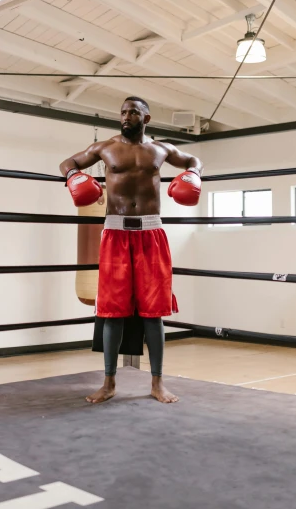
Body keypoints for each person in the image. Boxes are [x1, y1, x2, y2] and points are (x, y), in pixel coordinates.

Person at [60, 96, 203, 404]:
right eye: (123, 111)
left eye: (133, 112)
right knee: (111, 311)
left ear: (146, 118)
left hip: (151, 232)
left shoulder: (160, 149)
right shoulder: (104, 147)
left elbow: (193, 160)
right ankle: (109, 382)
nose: (126, 116)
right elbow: (67, 163)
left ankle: (157, 383)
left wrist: (193, 175)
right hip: (115, 233)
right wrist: (74, 176)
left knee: (155, 313)